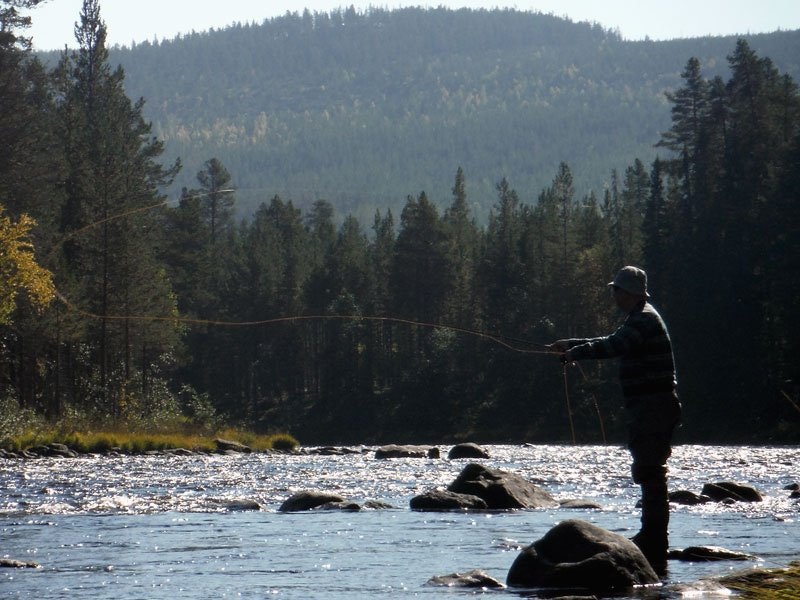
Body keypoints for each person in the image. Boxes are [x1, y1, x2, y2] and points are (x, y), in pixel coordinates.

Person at [549, 265, 681, 573]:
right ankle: (653, 538)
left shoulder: (644, 319)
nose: (613, 294)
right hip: (650, 405)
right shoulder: (640, 317)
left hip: (654, 405)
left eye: (616, 289)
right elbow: (613, 338)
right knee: (648, 468)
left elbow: (615, 346)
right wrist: (571, 344)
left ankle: (654, 539)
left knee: (650, 470)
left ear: (630, 292)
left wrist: (576, 354)